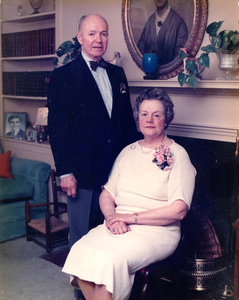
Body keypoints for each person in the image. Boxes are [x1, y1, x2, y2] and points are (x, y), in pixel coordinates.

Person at [62, 87, 196, 300]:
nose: (149, 119)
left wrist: (129, 218)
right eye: (144, 114)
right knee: (81, 250)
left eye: (156, 115)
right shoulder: (128, 152)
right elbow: (107, 194)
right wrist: (112, 219)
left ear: (166, 119)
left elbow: (179, 211)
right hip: (118, 224)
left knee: (110, 260)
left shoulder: (178, 155)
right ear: (138, 118)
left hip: (157, 231)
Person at [47, 14, 138, 299]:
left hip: (115, 175)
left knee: (112, 240)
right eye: (91, 34)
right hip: (81, 175)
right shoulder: (63, 76)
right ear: (79, 37)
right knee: (83, 243)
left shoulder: (117, 74)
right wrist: (65, 172)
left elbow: (126, 127)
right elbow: (58, 128)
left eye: (103, 33)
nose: (98, 39)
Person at [137, 0, 188, 65]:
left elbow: (179, 56)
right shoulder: (149, 22)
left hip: (172, 72)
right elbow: (140, 48)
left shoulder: (178, 23)